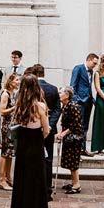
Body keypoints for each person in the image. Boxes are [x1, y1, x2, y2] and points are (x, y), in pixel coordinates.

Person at [8, 74, 51, 208]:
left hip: (22, 146)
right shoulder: (40, 106)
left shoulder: (19, 105)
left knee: (22, 183)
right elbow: (46, 130)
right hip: (35, 145)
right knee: (36, 184)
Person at [33, 64, 61, 198]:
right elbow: (57, 109)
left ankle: (36, 187)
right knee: (48, 158)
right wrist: (49, 125)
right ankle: (47, 188)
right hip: (49, 129)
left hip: (34, 128)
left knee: (34, 158)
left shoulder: (32, 89)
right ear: (44, 73)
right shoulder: (53, 88)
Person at [69, 53, 99, 156]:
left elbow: (88, 86)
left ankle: (83, 148)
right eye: (94, 63)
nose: (95, 65)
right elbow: (72, 86)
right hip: (80, 102)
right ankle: (77, 149)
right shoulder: (78, 68)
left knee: (85, 126)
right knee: (78, 126)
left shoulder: (91, 71)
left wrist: (92, 99)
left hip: (88, 102)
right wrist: (76, 100)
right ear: (89, 60)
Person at [56, 87, 84, 194]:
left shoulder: (73, 106)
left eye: (61, 93)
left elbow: (75, 124)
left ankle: (77, 185)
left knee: (73, 161)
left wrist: (63, 133)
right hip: (69, 138)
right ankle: (74, 182)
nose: (59, 94)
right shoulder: (65, 106)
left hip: (74, 138)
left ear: (67, 95)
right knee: (70, 161)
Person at [0, 73, 20, 191]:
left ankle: (8, 177)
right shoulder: (5, 94)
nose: (18, 82)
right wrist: (14, 108)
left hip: (13, 126)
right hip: (7, 127)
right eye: (17, 80)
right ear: (10, 82)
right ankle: (1, 179)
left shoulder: (14, 93)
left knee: (10, 153)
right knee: (5, 153)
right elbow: (2, 111)